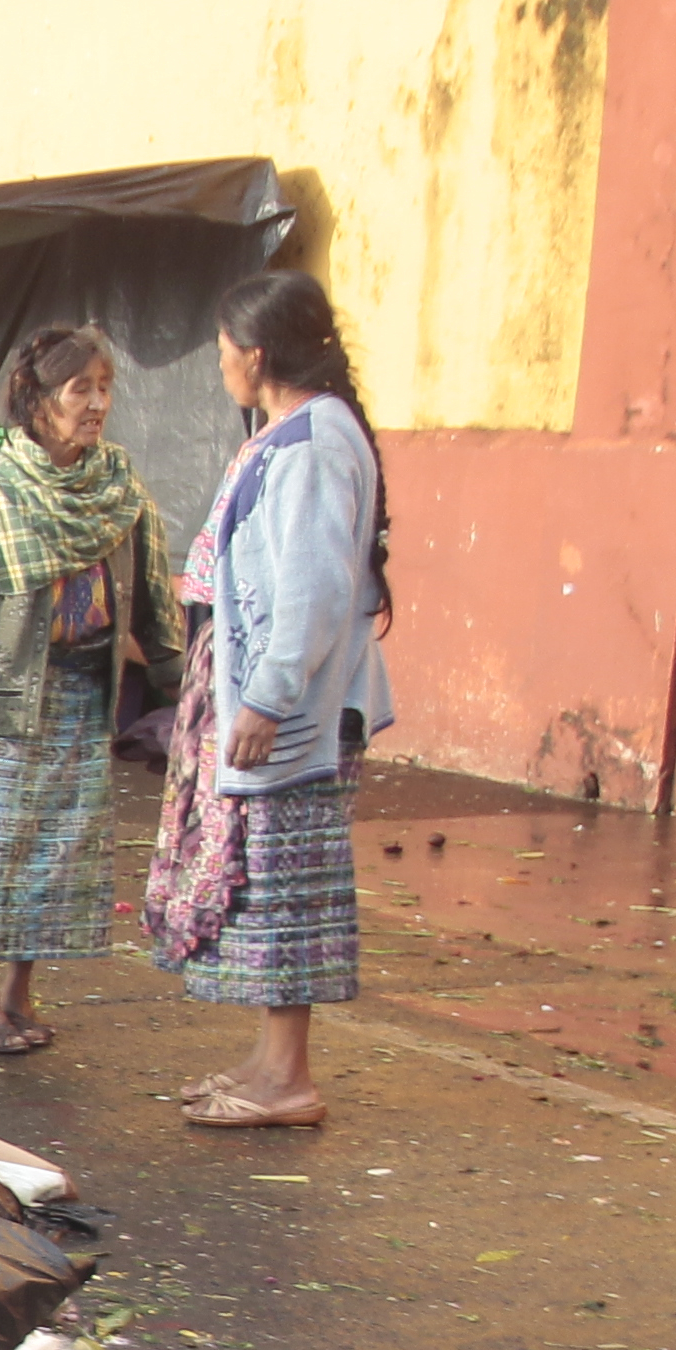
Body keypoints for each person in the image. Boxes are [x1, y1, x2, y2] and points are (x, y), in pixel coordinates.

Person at [0, 324, 178, 1056]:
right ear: (39, 400)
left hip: (79, 698)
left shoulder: (117, 488)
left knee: (53, 853)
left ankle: (19, 994)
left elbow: (155, 601)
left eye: (105, 388)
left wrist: (184, 689)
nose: (98, 404)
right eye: (82, 389)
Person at [145, 268, 397, 1129]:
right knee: (261, 887)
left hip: (290, 714)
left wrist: (267, 699)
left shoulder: (316, 445)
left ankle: (289, 1077)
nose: (219, 365)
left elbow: (316, 592)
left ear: (255, 355)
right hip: (262, 696)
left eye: (221, 350)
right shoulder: (290, 433)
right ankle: (267, 1061)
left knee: (288, 889)